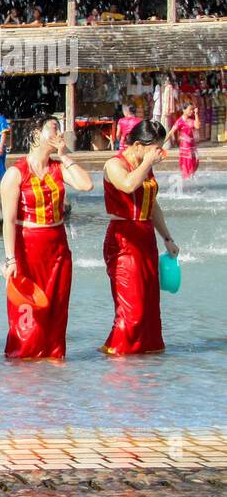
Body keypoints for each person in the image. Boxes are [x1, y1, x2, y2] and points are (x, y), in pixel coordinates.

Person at [0, 115, 93, 359]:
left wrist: (63, 155)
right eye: (53, 129)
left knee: (57, 308)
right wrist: (11, 259)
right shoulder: (15, 173)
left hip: (58, 247)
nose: (59, 134)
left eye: (60, 130)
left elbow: (86, 185)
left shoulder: (58, 168)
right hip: (28, 248)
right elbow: (8, 221)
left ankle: (54, 360)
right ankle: (24, 361)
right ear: (35, 134)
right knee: (27, 309)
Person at [101, 121, 177, 355]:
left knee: (149, 311)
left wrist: (167, 238)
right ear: (136, 145)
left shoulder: (146, 165)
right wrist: (146, 163)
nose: (159, 153)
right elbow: (127, 185)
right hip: (124, 238)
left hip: (146, 239)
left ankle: (147, 366)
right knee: (131, 310)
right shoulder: (114, 164)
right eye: (155, 147)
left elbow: (152, 205)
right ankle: (118, 360)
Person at [168, 102, 200, 180]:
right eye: (190, 110)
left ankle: (190, 181)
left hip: (192, 146)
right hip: (185, 147)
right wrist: (161, 143)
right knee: (187, 166)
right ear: (184, 110)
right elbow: (171, 132)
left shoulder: (190, 120)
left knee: (195, 162)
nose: (191, 111)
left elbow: (197, 126)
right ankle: (186, 183)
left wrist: (196, 114)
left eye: (192, 109)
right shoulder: (179, 121)